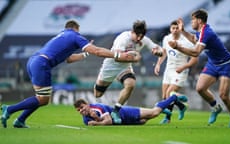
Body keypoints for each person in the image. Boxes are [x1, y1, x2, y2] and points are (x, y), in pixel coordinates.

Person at [0, 20, 137, 128]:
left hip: (33, 61)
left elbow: (69, 59)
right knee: (43, 99)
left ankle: (20, 120)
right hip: (42, 64)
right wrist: (118, 54)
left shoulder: (61, 37)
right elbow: (98, 51)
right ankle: (10, 109)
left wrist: (85, 53)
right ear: (76, 28)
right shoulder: (75, 36)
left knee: (40, 98)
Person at [168, 9, 230, 127]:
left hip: (226, 64)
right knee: (200, 88)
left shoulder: (207, 32)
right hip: (213, 63)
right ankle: (215, 107)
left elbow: (196, 52)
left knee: (224, 96)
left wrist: (178, 47)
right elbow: (193, 39)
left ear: (199, 20)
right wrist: (183, 31)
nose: (192, 22)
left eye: (193, 20)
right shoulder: (201, 32)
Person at [93, 20, 163, 124]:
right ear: (132, 32)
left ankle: (116, 111)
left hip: (125, 67)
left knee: (130, 84)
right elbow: (117, 58)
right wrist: (134, 59)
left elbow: (159, 50)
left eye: (141, 36)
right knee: (97, 94)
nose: (139, 39)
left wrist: (157, 52)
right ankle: (101, 84)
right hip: (111, 66)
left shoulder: (144, 40)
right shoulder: (123, 38)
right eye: (137, 36)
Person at [154, 20, 198, 124]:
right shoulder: (166, 38)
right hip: (168, 70)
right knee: (165, 97)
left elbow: (195, 59)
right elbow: (164, 52)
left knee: (170, 93)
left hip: (180, 71)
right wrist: (158, 64)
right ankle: (181, 106)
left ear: (180, 29)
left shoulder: (186, 42)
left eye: (176, 28)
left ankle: (167, 119)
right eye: (173, 28)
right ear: (170, 29)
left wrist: (184, 66)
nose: (174, 30)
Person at [74, 92, 187, 126]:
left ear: (87, 104)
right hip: (123, 121)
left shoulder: (98, 108)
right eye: (78, 110)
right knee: (143, 121)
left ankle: (173, 97)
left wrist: (96, 122)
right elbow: (96, 122)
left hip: (125, 113)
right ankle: (162, 108)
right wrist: (97, 121)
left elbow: (108, 121)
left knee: (154, 113)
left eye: (82, 107)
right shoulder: (85, 118)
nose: (81, 111)